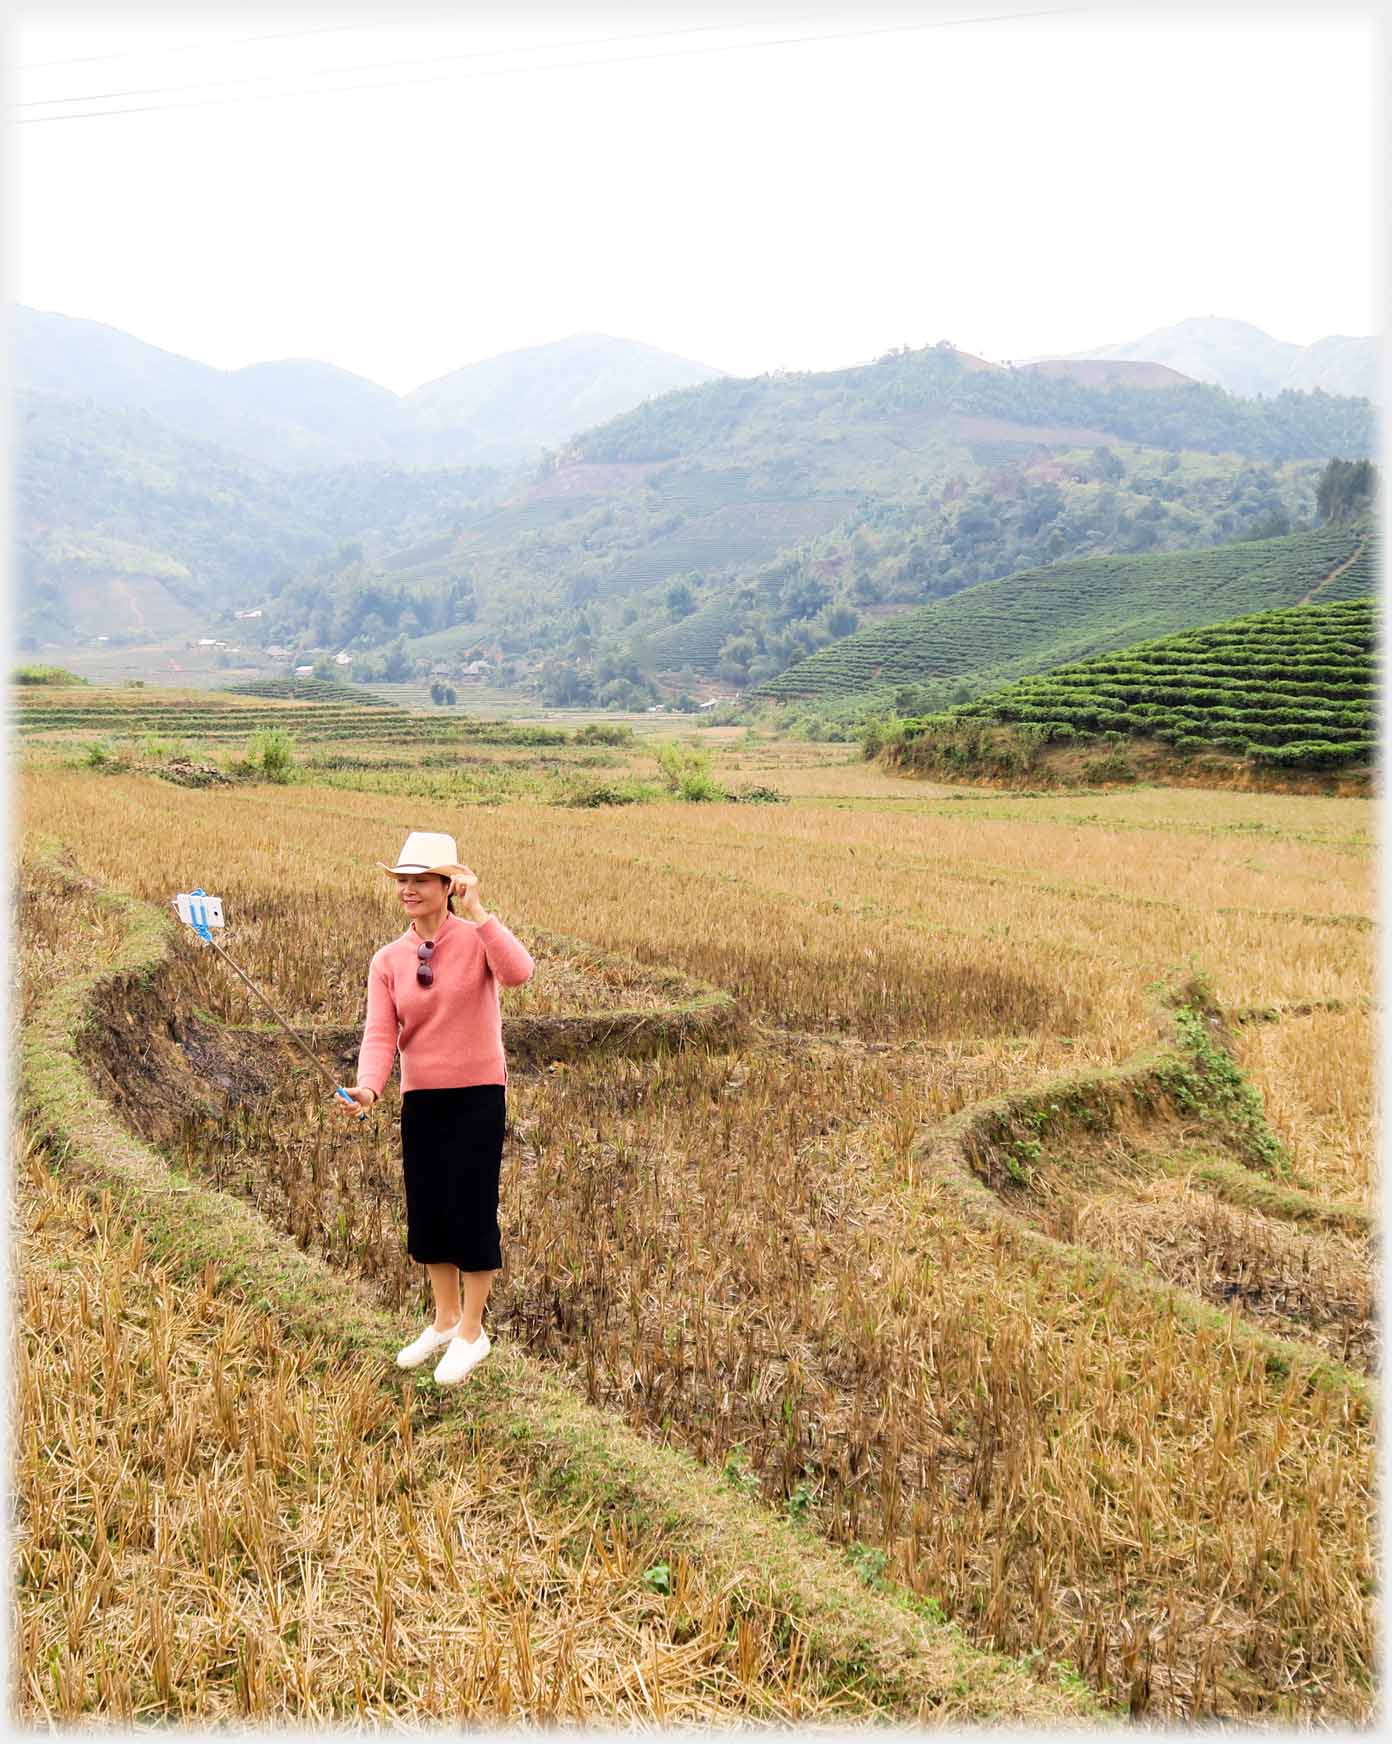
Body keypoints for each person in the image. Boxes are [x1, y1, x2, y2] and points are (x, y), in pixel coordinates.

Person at [337, 830, 534, 1385]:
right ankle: (444, 1321)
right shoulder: (388, 959)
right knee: (429, 1213)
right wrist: (369, 1090)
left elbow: (520, 972)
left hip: (477, 1096)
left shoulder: (477, 940)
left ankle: (473, 1332)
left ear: (449, 885)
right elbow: (381, 1033)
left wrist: (479, 911)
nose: (408, 889)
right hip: (420, 1098)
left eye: (421, 879)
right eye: (402, 880)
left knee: (470, 1208)